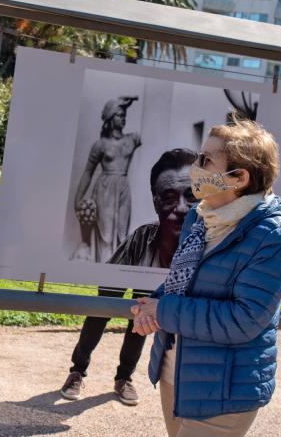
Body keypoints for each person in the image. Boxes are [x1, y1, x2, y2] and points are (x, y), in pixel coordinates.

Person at [132, 118, 281, 437]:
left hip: (225, 388)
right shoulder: (200, 214)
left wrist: (163, 311)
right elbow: (185, 277)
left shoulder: (272, 234)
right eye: (199, 156)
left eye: (206, 160)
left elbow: (245, 319)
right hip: (177, 370)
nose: (196, 166)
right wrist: (155, 303)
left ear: (238, 177)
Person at [61, 149, 198, 406]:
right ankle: (77, 371)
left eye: (191, 196)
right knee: (101, 310)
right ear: (156, 202)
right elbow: (106, 294)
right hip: (133, 263)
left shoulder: (203, 242)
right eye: (169, 197)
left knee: (141, 317)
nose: (181, 208)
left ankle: (124, 378)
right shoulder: (141, 238)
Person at [74, 96, 142, 264]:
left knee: (122, 235)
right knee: (105, 235)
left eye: (124, 114)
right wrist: (78, 199)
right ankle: (103, 270)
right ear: (111, 118)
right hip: (105, 190)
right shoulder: (100, 145)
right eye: (119, 114)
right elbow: (88, 172)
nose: (123, 117)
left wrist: (126, 102)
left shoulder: (132, 139)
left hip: (123, 188)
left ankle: (116, 273)